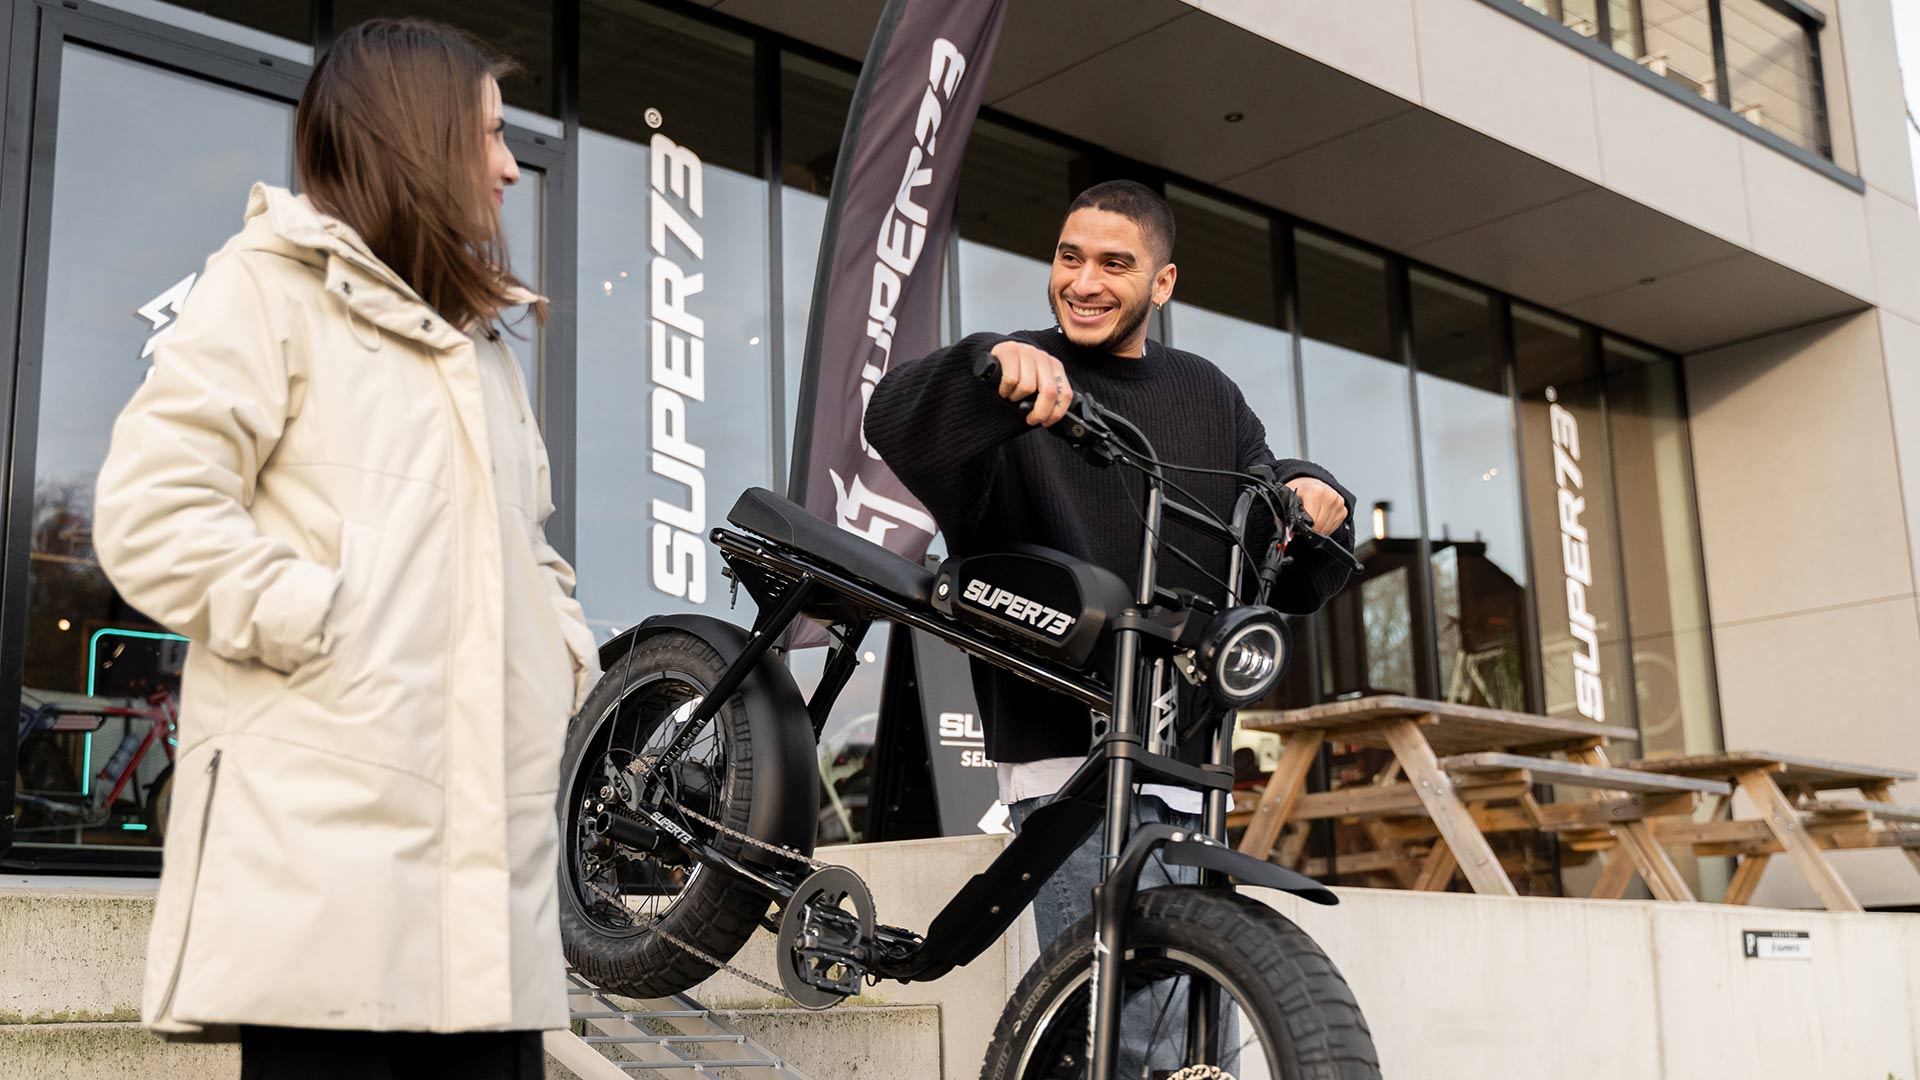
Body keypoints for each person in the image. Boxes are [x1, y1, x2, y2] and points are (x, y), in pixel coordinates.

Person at [92, 19, 598, 1079]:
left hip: (489, 916)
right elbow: (154, 511)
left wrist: (559, 657)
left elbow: (533, 550)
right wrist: (331, 625)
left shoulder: (482, 348)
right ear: (417, 139)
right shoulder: (267, 288)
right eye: (492, 136)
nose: (512, 166)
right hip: (326, 893)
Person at [865, 180, 1354, 1062]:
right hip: (1065, 755)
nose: (1084, 281)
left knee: (1208, 1022)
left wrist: (1315, 490)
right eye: (1069, 257)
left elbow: (1265, 519)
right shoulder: (1019, 382)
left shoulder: (1206, 391)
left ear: (1161, 285)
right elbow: (893, 418)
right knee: (1121, 1029)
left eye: (1114, 264)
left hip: (1185, 758)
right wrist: (992, 363)